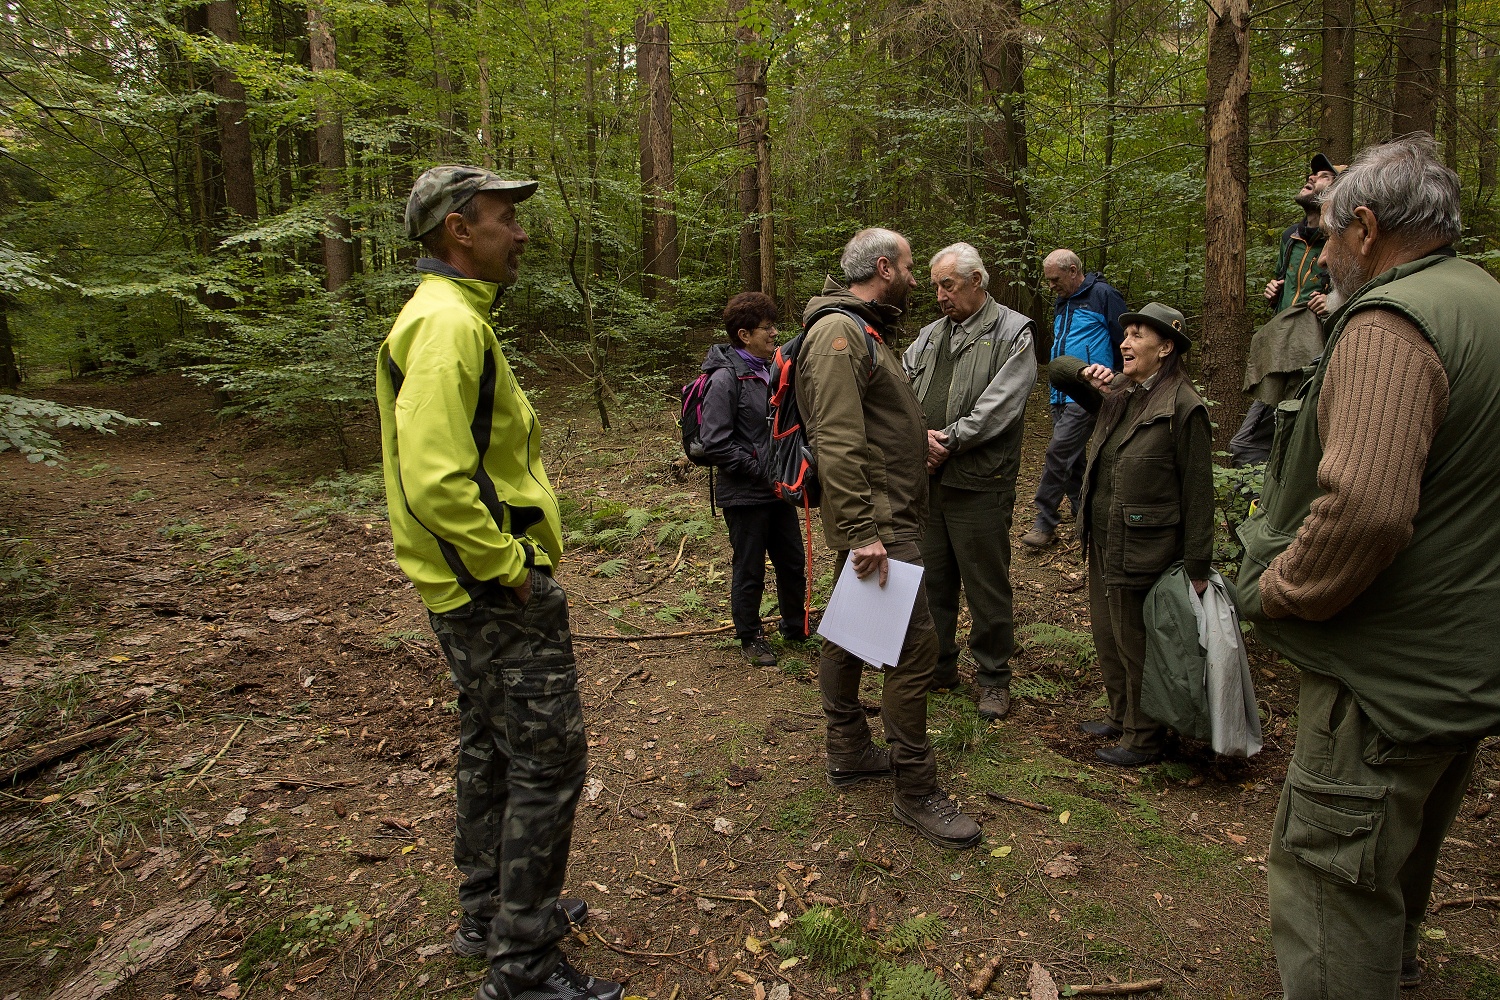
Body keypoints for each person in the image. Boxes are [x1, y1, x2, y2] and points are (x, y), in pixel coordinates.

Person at [1238, 134, 1500, 999]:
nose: (1317, 250)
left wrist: (1282, 591)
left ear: (1365, 223)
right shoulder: (1483, 300)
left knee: (1330, 885)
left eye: (1323, 231)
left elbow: (1368, 507)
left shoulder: (1391, 322)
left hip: (1384, 680)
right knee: (1398, 856)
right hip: (1459, 665)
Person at [376, 165, 620, 1000]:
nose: (518, 232)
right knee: (549, 764)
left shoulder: (448, 317)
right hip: (489, 591)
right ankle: (523, 964)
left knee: (492, 750)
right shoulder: (447, 326)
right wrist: (510, 570)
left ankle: (490, 915)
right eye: (503, 218)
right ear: (457, 228)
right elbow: (438, 479)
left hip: (466, 592)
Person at [799, 227, 982, 849]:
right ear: (884, 267)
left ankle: (848, 750)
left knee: (851, 630)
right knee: (914, 649)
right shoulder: (840, 333)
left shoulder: (863, 330)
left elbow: (871, 424)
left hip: (885, 513)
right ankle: (914, 788)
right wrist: (860, 533)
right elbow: (838, 439)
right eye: (909, 268)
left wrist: (913, 441)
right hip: (879, 523)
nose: (915, 281)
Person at [1051, 302, 1213, 767]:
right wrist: (1088, 374)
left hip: (1147, 548)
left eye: (1138, 335)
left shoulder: (1183, 405)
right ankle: (1123, 718)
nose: (1125, 342)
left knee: (1135, 641)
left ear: (1165, 348)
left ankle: (1145, 739)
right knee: (1107, 634)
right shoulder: (1119, 391)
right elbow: (1058, 369)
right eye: (1126, 335)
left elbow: (1199, 493)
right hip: (1104, 538)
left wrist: (1197, 568)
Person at [903, 242, 1035, 720]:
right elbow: (900, 389)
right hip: (930, 483)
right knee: (932, 580)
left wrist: (949, 441)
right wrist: (918, 440)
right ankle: (938, 667)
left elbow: (1002, 403)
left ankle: (994, 678)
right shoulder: (929, 335)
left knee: (986, 586)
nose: (939, 294)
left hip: (981, 482)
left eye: (948, 285)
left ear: (977, 281)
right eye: (936, 285)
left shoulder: (1014, 332)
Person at [698, 291, 808, 666]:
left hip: (778, 490)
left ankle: (797, 627)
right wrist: (761, 468)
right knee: (750, 567)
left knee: (793, 561)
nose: (774, 333)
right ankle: (750, 636)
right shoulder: (724, 378)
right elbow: (714, 442)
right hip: (744, 493)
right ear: (744, 335)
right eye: (767, 327)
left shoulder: (771, 369)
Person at [1229, 153, 1344, 467]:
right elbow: (1282, 280)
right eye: (1312, 175)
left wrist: (1333, 302)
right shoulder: (1289, 237)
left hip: (1317, 354)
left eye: (1324, 176)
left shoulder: (1342, 240)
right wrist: (1272, 292)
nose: (1312, 178)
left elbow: (1353, 290)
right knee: (1259, 441)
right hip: (1283, 349)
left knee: (1268, 441)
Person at [1020, 249, 1127, 549]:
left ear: (1072, 270)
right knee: (1073, 457)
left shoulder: (1104, 294)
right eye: (1048, 281)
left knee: (1058, 451)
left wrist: (1119, 380)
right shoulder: (1062, 300)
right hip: (1060, 390)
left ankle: (1044, 521)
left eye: (1055, 279)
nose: (1051, 285)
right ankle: (1085, 514)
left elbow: (1124, 338)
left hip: (1090, 389)